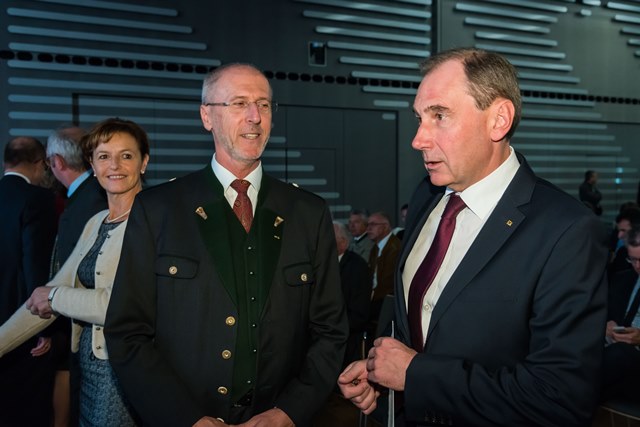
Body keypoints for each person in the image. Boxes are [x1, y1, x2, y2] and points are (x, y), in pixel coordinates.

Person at [338, 47, 608, 427]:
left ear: (498, 120)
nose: (418, 139)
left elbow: (559, 398)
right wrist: (379, 368)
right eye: (419, 118)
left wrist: (415, 374)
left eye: (439, 116)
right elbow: (417, 312)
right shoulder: (426, 195)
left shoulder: (567, 231)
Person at [104, 63, 348, 427]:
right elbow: (127, 333)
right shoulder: (159, 210)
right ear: (207, 116)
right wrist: (185, 418)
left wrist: (288, 412)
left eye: (263, 105)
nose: (255, 117)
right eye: (239, 103)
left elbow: (330, 330)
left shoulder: (307, 212)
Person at [0, 118, 150, 426]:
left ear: (143, 162)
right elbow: (45, 297)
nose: (114, 166)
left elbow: (122, 304)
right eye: (104, 156)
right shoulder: (96, 222)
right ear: (92, 165)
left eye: (126, 155)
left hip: (126, 373)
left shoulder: (153, 221)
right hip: (89, 369)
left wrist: (55, 297)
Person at [47, 125, 109, 427]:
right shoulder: (88, 199)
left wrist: (51, 300)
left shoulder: (90, 203)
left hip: (97, 343)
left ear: (56, 162)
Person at [0, 136, 57, 427]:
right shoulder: (37, 199)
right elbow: (35, 263)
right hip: (20, 315)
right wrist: (43, 325)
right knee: (26, 406)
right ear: (39, 164)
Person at [603, 226, 640, 400]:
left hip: (628, 357)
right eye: (633, 259)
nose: (638, 266)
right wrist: (605, 326)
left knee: (620, 353)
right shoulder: (622, 279)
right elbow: (605, 315)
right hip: (613, 351)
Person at [334, 221, 372, 367]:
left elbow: (359, 314)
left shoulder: (357, 267)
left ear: (343, 243)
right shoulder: (323, 263)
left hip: (348, 335)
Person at [366, 211, 401, 339]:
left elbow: (388, 283)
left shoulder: (395, 247)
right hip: (376, 300)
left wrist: (370, 299)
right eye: (368, 224)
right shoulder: (375, 248)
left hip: (387, 302)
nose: (369, 228)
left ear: (385, 226)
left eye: (373, 224)